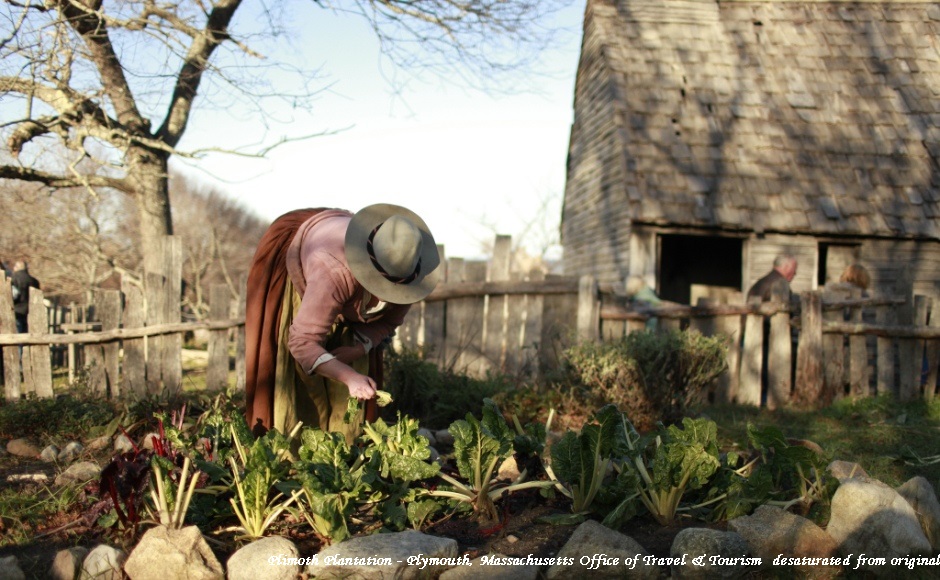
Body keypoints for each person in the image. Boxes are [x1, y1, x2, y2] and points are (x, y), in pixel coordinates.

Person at [244, 204, 442, 443]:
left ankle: (345, 448)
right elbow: (302, 343)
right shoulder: (332, 271)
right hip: (308, 262)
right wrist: (349, 377)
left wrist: (358, 349)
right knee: (302, 381)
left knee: (355, 382)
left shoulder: (409, 273)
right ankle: (297, 455)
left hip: (342, 281)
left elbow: (388, 322)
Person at [11, 261, 40, 333]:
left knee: (17, 334)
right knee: (26, 332)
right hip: (30, 310)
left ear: (17, 268)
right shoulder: (34, 281)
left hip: (17, 310)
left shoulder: (13, 279)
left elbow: (13, 295)